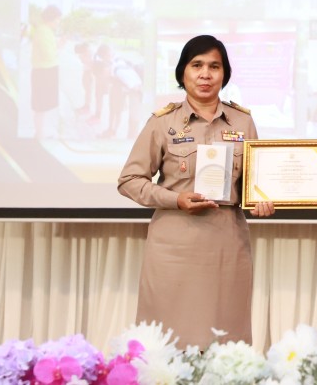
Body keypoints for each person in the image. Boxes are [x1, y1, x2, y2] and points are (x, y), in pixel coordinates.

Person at [117, 34, 274, 349]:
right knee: (168, 344)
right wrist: (174, 199)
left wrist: (262, 201)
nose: (206, 74)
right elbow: (130, 180)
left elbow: (252, 184)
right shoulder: (162, 122)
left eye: (214, 66)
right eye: (197, 65)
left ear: (224, 74)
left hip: (226, 248)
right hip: (174, 248)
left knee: (225, 342)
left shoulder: (243, 121)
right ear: (182, 73)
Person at [29, 5, 62, 138]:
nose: (58, 22)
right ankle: (39, 135)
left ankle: (40, 133)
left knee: (43, 107)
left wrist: (59, 45)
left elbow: (51, 50)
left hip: (46, 72)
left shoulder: (47, 31)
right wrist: (57, 51)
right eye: (58, 19)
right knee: (40, 107)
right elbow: (48, 55)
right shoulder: (43, 31)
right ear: (51, 18)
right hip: (43, 73)